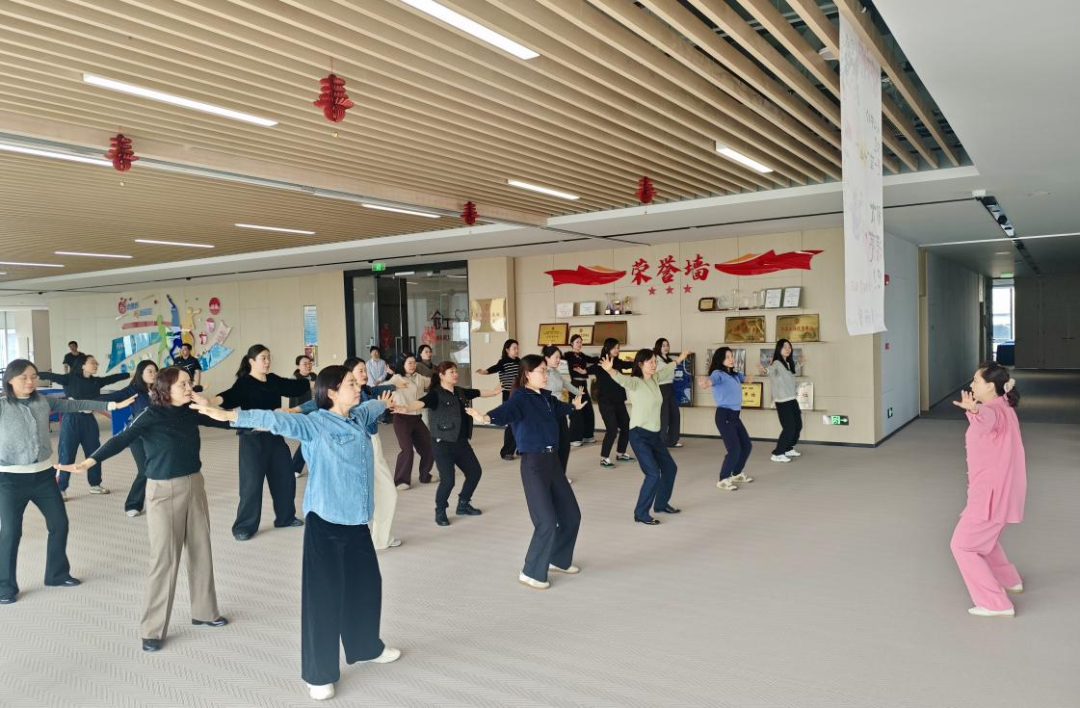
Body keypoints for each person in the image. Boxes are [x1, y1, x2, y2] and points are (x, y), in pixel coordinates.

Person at [194, 368, 402, 701]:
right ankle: (319, 674)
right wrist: (226, 414)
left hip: (357, 522)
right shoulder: (315, 423)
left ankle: (365, 647)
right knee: (323, 599)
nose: (357, 386)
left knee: (366, 588)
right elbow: (274, 420)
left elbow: (374, 405)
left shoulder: (360, 415)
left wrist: (386, 402)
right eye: (351, 383)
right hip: (326, 524)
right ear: (331, 392)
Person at [58, 368, 230, 651]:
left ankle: (204, 612)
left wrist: (247, 419)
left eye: (189, 383)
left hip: (194, 484)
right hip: (163, 490)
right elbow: (121, 439)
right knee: (164, 558)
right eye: (183, 384)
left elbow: (226, 422)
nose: (189, 387)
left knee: (201, 549)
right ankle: (152, 629)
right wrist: (88, 462)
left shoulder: (191, 411)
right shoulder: (150, 414)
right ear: (166, 388)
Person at [0, 360, 133, 605]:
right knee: (10, 532)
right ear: (10, 379)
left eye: (33, 377)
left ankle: (57, 574)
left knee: (59, 524)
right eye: (23, 377)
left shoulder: (43, 401)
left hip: (43, 477)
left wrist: (112, 405)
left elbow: (78, 404)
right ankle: (4, 587)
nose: (30, 382)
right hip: (10, 480)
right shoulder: (2, 406)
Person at [467, 355, 586, 590]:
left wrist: (575, 406)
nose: (545, 374)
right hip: (534, 464)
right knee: (547, 521)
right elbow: (505, 411)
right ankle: (530, 572)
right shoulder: (521, 398)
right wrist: (485, 417)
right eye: (541, 370)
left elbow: (561, 409)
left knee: (572, 515)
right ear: (527, 374)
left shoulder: (546, 398)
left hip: (553, 463)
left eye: (546, 370)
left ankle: (558, 559)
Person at [205, 344, 310, 541]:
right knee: (251, 484)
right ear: (251, 361)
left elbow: (295, 387)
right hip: (252, 439)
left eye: (269, 357)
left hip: (275, 436)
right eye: (263, 358)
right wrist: (210, 402)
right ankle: (244, 526)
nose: (267, 361)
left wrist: (307, 377)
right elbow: (229, 397)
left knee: (285, 478)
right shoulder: (245, 383)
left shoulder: (273, 380)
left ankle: (286, 518)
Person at [949, 363, 1026, 618]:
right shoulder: (1004, 405)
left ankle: (995, 603)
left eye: (976, 381)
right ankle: (1010, 580)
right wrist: (975, 410)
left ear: (991, 386)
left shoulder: (991, 411)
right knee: (985, 541)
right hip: (1000, 488)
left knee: (962, 546)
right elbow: (987, 420)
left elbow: (985, 420)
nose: (971, 385)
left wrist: (974, 410)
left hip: (991, 493)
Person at [401, 362, 500, 526]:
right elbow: (421, 402)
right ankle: (440, 510)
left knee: (475, 472)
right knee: (448, 480)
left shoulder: (460, 392)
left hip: (461, 443)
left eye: (456, 371)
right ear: (441, 375)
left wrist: (495, 392)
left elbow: (478, 392)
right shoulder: (435, 394)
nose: (455, 374)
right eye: (451, 372)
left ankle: (463, 504)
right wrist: (406, 408)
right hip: (442, 444)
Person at [602, 347, 690, 525]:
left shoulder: (655, 379)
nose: (654, 364)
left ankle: (661, 504)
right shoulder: (635, 382)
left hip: (654, 436)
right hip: (639, 435)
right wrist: (610, 370)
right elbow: (622, 380)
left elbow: (667, 369)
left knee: (670, 468)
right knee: (653, 474)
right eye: (651, 362)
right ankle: (641, 513)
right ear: (641, 364)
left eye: (655, 361)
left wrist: (680, 358)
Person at [38, 353, 130, 498]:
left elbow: (113, 378)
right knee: (67, 454)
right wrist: (33, 374)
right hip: (71, 419)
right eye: (93, 362)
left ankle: (95, 484)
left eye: (96, 363)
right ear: (83, 365)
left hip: (88, 420)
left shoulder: (96, 382)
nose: (96, 364)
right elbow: (51, 376)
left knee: (94, 452)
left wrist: (131, 374)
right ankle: (61, 488)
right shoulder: (69, 378)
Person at [99, 360, 158, 516]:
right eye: (150, 371)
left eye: (155, 371)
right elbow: (111, 397)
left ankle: (160, 498)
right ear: (141, 373)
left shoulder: (160, 388)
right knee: (144, 469)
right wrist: (84, 400)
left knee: (159, 466)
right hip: (137, 435)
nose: (154, 374)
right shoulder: (133, 390)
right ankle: (133, 504)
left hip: (158, 435)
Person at [699, 348, 754, 491]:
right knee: (734, 449)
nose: (731, 359)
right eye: (727, 357)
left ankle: (736, 473)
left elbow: (745, 379)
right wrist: (705, 383)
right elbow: (710, 381)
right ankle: (723, 479)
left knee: (747, 446)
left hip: (735, 416)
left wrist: (749, 378)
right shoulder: (718, 374)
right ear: (720, 359)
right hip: (724, 416)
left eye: (732, 356)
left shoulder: (734, 374)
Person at [388, 354, 435, 490]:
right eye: (409, 363)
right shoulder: (396, 378)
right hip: (401, 418)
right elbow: (382, 388)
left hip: (417, 418)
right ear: (402, 364)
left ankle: (425, 475)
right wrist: (388, 400)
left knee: (429, 447)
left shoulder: (419, 378)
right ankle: (401, 480)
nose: (413, 365)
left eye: (414, 363)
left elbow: (432, 382)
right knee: (407, 450)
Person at [587, 338, 634, 468]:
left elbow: (630, 365)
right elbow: (587, 370)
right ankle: (604, 458)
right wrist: (581, 370)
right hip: (606, 402)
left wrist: (635, 362)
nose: (617, 350)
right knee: (612, 430)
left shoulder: (618, 362)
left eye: (618, 348)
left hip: (619, 401)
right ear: (608, 348)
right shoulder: (600, 363)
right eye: (615, 347)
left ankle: (621, 453)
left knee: (626, 427)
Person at [758, 339, 804, 463]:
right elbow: (770, 370)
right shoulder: (777, 363)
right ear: (779, 349)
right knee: (789, 428)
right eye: (784, 347)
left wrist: (800, 363)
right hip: (783, 401)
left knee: (798, 426)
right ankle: (777, 453)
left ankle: (788, 448)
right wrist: (764, 370)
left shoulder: (788, 363)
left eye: (789, 347)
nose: (788, 349)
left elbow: (792, 372)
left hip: (792, 399)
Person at [541, 346, 582, 480]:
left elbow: (566, 383)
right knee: (552, 447)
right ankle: (549, 476)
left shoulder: (556, 372)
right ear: (547, 358)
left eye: (559, 357)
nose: (559, 360)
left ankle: (560, 475)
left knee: (564, 445)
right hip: (548, 414)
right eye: (556, 357)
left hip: (560, 412)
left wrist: (579, 393)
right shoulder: (542, 373)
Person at [476, 339, 521, 460]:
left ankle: (521, 447)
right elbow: (494, 368)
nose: (517, 350)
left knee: (522, 421)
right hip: (508, 395)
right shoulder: (503, 362)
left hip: (520, 394)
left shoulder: (519, 362)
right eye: (514, 348)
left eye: (517, 348)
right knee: (512, 423)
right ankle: (507, 452)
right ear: (507, 350)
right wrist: (484, 372)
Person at [563, 334, 597, 447]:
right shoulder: (568, 355)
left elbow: (594, 360)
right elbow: (559, 357)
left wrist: (605, 355)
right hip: (575, 384)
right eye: (577, 342)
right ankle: (575, 438)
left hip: (584, 384)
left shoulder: (582, 355)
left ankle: (587, 435)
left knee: (588, 409)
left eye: (581, 342)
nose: (579, 344)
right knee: (577, 412)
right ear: (571, 343)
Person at [289, 355, 317, 478]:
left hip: (316, 411)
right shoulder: (295, 378)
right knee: (308, 439)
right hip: (303, 412)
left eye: (309, 363)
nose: (308, 365)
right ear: (298, 366)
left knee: (311, 439)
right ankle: (295, 467)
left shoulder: (315, 376)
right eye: (305, 363)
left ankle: (297, 466)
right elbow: (293, 399)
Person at [653, 338, 684, 449]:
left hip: (670, 387)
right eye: (663, 345)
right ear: (658, 347)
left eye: (667, 345)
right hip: (661, 388)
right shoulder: (656, 359)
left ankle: (672, 440)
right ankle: (662, 442)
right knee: (664, 416)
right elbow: (666, 369)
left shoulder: (667, 359)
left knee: (675, 414)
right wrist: (680, 358)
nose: (666, 347)